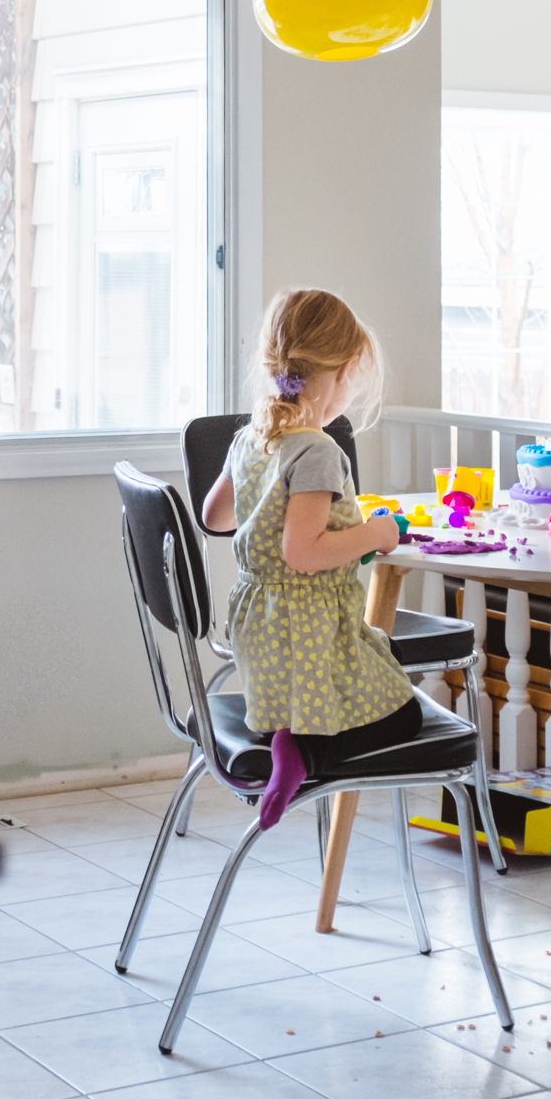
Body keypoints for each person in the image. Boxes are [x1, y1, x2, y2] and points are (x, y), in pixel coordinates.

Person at [202, 289, 421, 828]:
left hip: (262, 637)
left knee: (357, 689)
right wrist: (376, 533)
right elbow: (303, 553)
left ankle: (291, 740)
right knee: (406, 709)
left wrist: (266, 508)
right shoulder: (317, 450)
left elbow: (214, 515)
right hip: (311, 634)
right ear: (346, 371)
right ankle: (304, 755)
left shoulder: (254, 437)